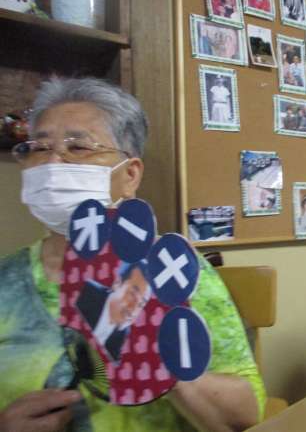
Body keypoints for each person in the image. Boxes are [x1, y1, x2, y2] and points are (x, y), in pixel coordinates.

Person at [0, 77, 265, 432]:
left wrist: (158, 361)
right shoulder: (7, 282)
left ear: (129, 175)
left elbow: (246, 416)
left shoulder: (173, 268)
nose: (52, 162)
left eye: (78, 147)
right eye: (39, 147)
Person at [76, 261, 151, 363]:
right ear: (117, 283)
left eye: (141, 304)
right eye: (132, 294)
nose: (133, 310)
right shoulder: (87, 292)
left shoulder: (123, 334)